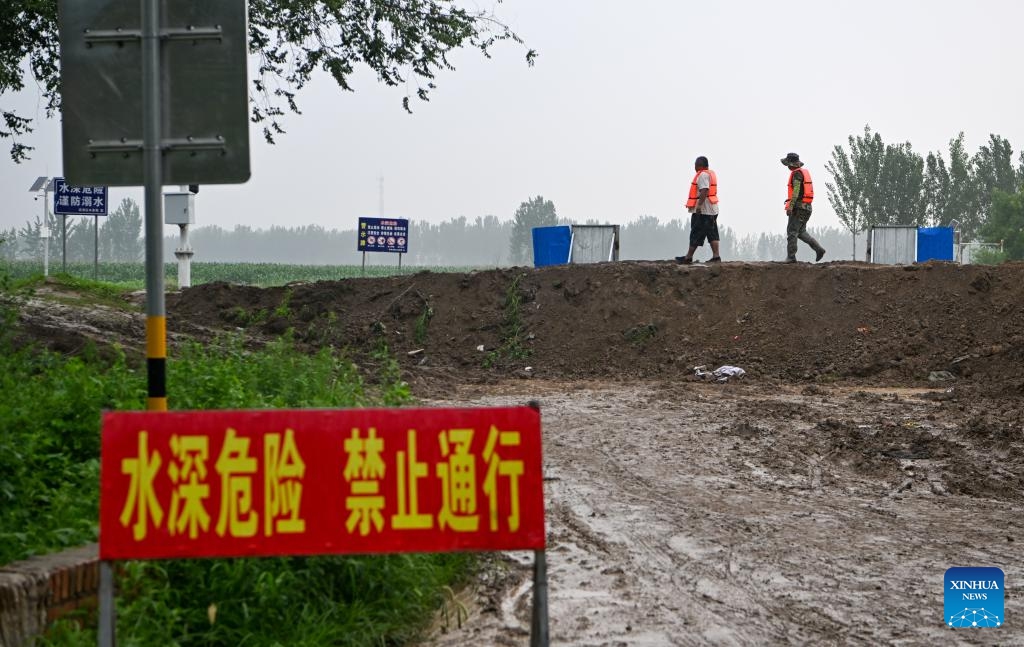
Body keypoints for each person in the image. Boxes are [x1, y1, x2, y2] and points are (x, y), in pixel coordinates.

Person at [781, 152, 826, 263]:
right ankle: (819, 249)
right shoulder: (802, 173)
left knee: (792, 231)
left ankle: (791, 257)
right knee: (801, 232)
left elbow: (796, 191)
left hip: (799, 208)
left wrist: (790, 206)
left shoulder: (797, 174)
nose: (787, 166)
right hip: (807, 208)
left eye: (788, 164)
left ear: (791, 164)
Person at [676, 156, 721, 264]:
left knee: (696, 232)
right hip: (712, 210)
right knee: (712, 233)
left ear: (699, 165)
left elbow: (704, 190)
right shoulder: (710, 174)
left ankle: (688, 257)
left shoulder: (702, 175)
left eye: (695, 165)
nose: (694, 167)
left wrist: (699, 206)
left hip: (704, 211)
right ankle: (716, 257)